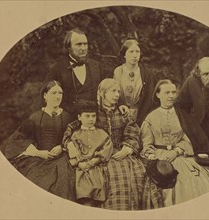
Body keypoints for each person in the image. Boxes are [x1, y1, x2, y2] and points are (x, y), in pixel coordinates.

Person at [63, 78, 162, 210]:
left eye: (118, 91)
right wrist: (69, 144)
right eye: (113, 91)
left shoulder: (122, 113)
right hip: (99, 155)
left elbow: (132, 131)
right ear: (102, 93)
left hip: (121, 152)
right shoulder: (92, 113)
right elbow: (72, 128)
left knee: (140, 173)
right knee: (115, 177)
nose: (117, 95)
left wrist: (128, 149)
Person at [140, 79, 209, 206]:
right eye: (167, 93)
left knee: (194, 180)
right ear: (158, 94)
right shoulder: (150, 118)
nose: (171, 96)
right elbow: (147, 145)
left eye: (173, 92)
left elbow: (187, 140)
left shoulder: (182, 116)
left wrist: (176, 151)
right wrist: (155, 156)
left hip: (180, 157)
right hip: (160, 158)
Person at [3, 80, 75, 201]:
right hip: (38, 158)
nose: (58, 96)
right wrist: (38, 153)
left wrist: (62, 147)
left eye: (60, 93)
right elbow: (18, 139)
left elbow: (74, 137)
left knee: (64, 181)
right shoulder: (35, 118)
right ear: (45, 95)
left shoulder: (67, 117)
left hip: (62, 158)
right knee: (35, 180)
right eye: (54, 93)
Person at [45, 27, 106, 116]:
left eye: (85, 44)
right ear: (68, 47)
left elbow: (107, 92)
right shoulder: (57, 69)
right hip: (67, 120)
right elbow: (46, 96)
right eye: (79, 44)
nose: (83, 48)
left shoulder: (96, 66)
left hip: (93, 119)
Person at [66, 100, 113, 207]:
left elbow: (107, 148)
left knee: (98, 184)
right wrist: (79, 163)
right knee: (82, 189)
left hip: (96, 167)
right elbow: (73, 154)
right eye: (87, 116)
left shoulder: (102, 134)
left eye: (93, 116)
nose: (91, 119)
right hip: (81, 169)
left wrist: (94, 161)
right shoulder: (75, 135)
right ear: (79, 117)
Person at [113, 39, 156, 126]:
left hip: (140, 115)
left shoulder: (147, 74)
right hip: (120, 113)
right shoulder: (117, 71)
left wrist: (141, 119)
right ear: (124, 54)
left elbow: (149, 98)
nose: (135, 55)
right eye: (131, 52)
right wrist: (120, 106)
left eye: (137, 52)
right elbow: (112, 92)